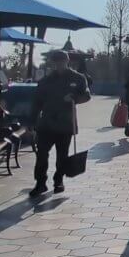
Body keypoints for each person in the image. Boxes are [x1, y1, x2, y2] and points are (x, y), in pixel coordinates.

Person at [30, 50, 91, 197]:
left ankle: (58, 180)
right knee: (41, 154)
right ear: (52, 63)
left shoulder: (78, 78)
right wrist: (32, 122)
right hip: (46, 124)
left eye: (62, 61)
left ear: (67, 61)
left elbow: (86, 95)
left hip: (65, 123)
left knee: (62, 155)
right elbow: (37, 102)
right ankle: (40, 183)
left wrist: (74, 97)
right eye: (56, 62)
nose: (59, 64)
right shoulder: (45, 81)